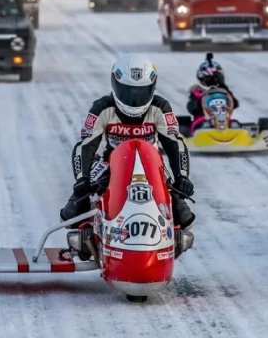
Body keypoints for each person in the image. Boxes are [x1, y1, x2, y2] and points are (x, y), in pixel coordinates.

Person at [60, 54, 195, 229]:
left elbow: (174, 143)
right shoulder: (101, 107)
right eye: (127, 90)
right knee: (71, 213)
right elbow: (86, 144)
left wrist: (181, 177)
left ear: (152, 87)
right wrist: (82, 179)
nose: (134, 97)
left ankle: (170, 234)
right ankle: (87, 235)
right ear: (115, 84)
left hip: (152, 164)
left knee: (184, 217)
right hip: (109, 162)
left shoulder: (161, 107)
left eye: (141, 91)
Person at [187, 53, 239, 133]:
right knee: (206, 125)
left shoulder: (224, 92)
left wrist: (223, 86)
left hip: (225, 121)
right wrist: (200, 100)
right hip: (202, 122)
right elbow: (192, 108)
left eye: (216, 78)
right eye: (210, 79)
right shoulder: (196, 91)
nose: (213, 81)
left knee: (235, 124)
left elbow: (235, 104)